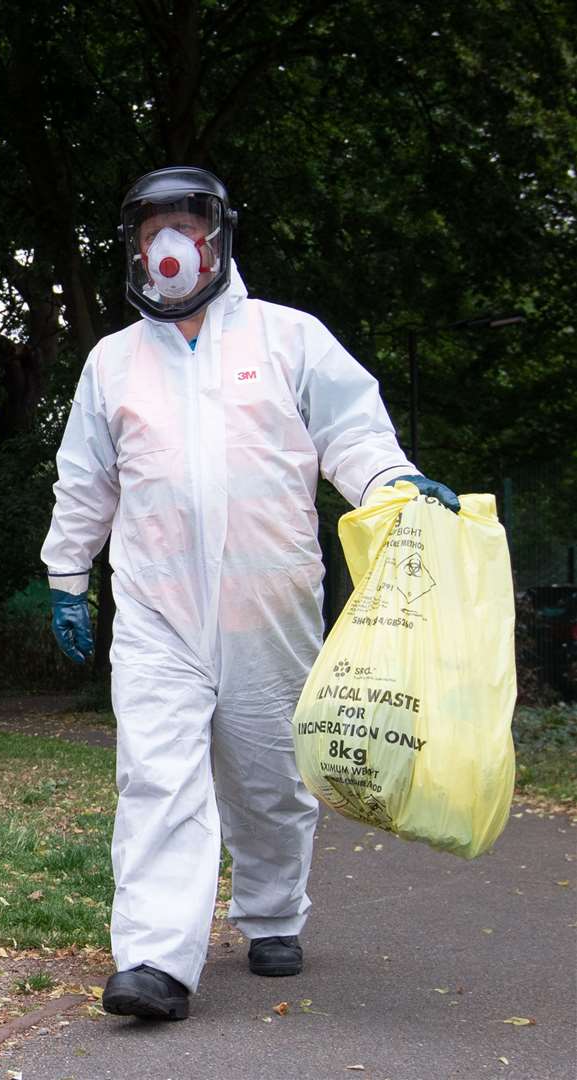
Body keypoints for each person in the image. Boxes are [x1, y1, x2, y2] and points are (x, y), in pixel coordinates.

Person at [41, 166, 458, 1021]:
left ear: (217, 236)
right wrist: (66, 575)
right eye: (150, 226)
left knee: (268, 775)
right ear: (132, 245)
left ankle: (271, 913)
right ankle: (155, 958)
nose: (167, 244)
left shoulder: (287, 339)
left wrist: (395, 484)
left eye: (184, 224)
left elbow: (352, 431)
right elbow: (84, 479)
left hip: (270, 601)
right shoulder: (113, 363)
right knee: (156, 775)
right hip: (158, 608)